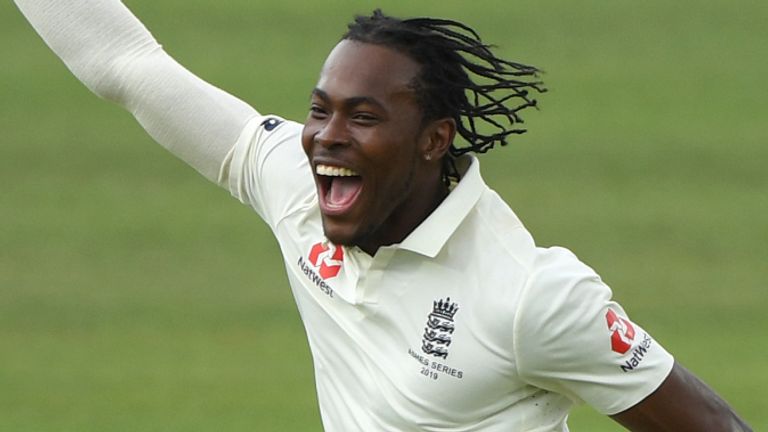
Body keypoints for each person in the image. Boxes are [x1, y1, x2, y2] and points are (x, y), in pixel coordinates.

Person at [12, 1, 752, 431]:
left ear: (434, 140)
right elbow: (128, 68)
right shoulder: (299, 186)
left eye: (363, 117)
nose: (327, 137)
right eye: (320, 109)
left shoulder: (534, 296)